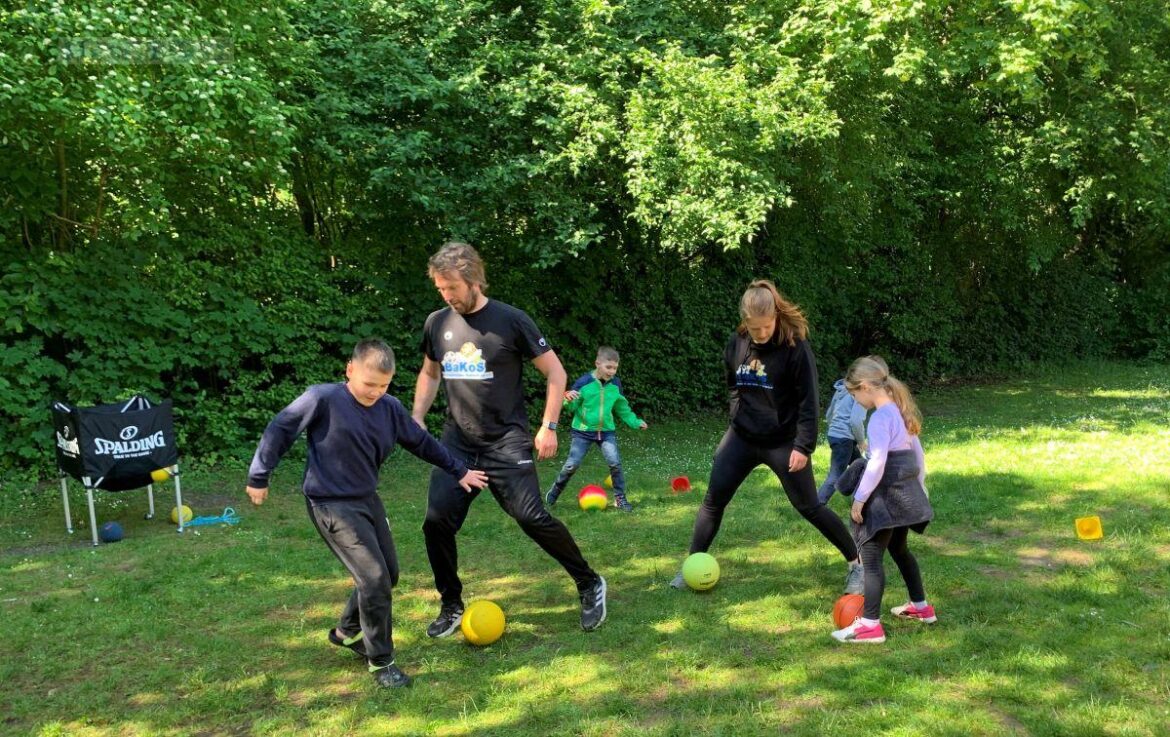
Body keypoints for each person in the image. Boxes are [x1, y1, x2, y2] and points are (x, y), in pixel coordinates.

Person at [245, 339, 488, 688]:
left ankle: (347, 631)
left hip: (366, 499)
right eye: (369, 383)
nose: (375, 392)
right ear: (350, 369)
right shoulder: (323, 399)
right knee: (373, 579)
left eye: (383, 385)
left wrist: (458, 469)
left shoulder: (389, 408)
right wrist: (259, 475)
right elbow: (281, 428)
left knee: (387, 575)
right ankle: (381, 662)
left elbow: (421, 443)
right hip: (329, 502)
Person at [411, 241, 608, 637]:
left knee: (531, 517)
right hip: (457, 444)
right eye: (441, 289)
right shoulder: (437, 323)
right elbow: (430, 374)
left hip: (505, 441)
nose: (447, 296)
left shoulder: (511, 320)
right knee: (436, 523)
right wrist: (416, 417)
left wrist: (548, 425)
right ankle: (451, 604)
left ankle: (589, 582)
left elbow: (556, 373)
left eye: (452, 287)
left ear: (473, 279)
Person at [670, 279, 864, 594]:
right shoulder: (737, 342)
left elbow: (809, 401)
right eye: (754, 328)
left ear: (776, 316)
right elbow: (732, 381)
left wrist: (803, 446)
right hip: (742, 437)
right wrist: (736, 414)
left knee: (809, 506)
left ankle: (857, 564)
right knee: (713, 500)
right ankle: (693, 563)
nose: (761, 334)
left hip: (784, 442)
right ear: (745, 322)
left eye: (766, 327)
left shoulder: (795, 348)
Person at [830, 355, 935, 644]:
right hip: (906, 496)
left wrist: (860, 499)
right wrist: (920, 487)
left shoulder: (879, 418)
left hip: (887, 499)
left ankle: (870, 625)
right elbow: (918, 456)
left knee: (872, 558)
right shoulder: (899, 412)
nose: (855, 401)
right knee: (900, 550)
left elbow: (876, 463)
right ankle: (921, 607)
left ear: (864, 387)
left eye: (853, 395)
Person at [545, 346, 648, 512]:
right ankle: (555, 492)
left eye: (615, 368)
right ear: (598, 363)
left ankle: (620, 499)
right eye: (608, 367)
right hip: (582, 432)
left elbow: (622, 408)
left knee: (615, 463)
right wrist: (568, 398)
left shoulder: (615, 384)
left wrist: (635, 422)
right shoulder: (584, 383)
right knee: (572, 465)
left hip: (606, 432)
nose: (612, 371)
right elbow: (571, 407)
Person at [816, 374, 868, 504]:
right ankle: (816, 504)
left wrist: (835, 430)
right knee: (836, 475)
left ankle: (862, 500)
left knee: (863, 467)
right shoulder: (860, 393)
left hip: (835, 436)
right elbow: (855, 421)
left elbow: (829, 414)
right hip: (844, 439)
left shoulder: (841, 390)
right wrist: (861, 441)